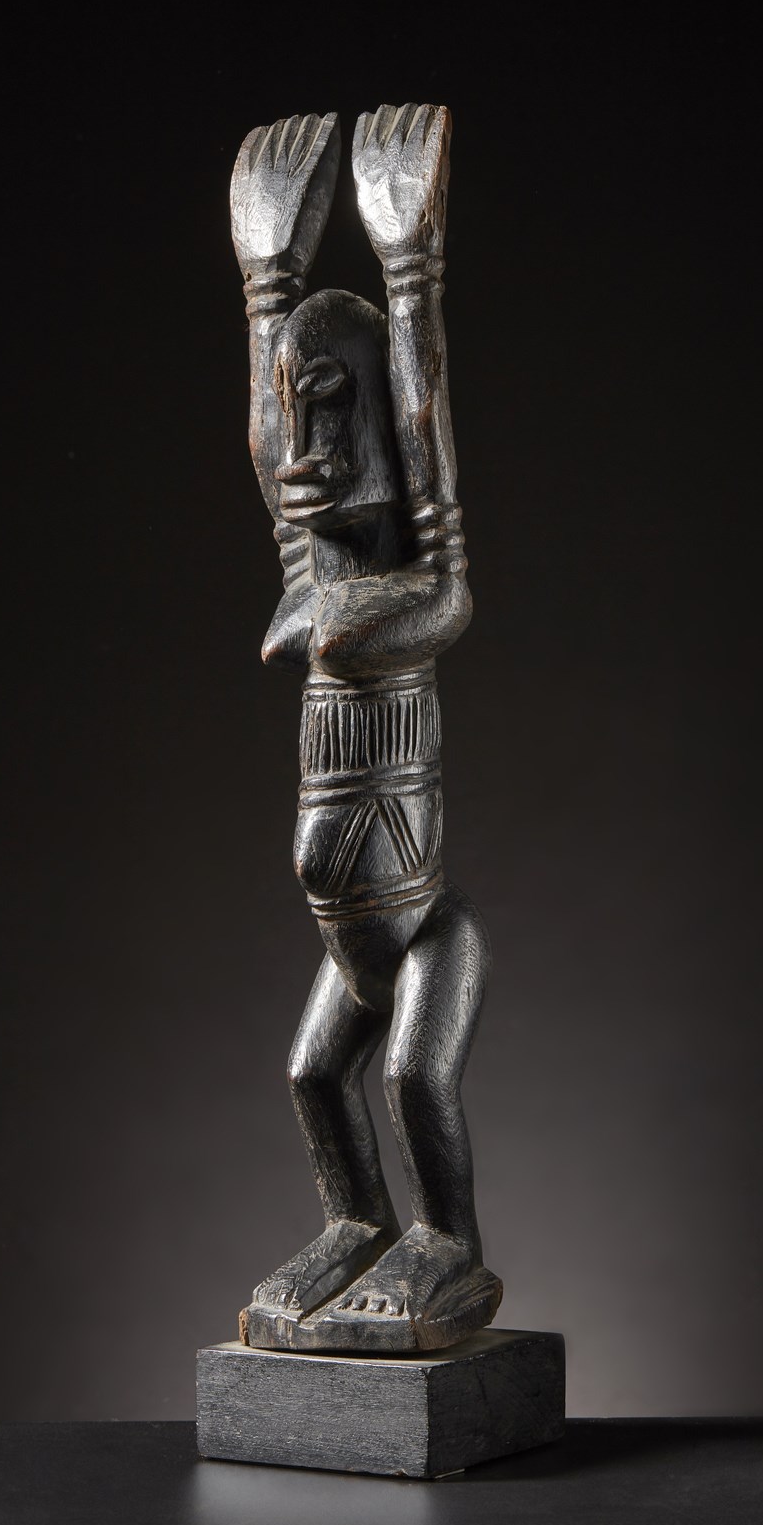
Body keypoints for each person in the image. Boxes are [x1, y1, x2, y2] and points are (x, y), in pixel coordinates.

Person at [229, 105, 499, 1351]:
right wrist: (265, 283)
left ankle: (446, 1246)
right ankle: (354, 1222)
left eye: (334, 408)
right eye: (298, 410)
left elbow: (429, 440)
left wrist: (407, 266)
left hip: (423, 927)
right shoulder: (315, 574)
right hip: (346, 938)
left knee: (409, 1074)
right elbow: (265, 450)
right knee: (308, 1075)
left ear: (382, 420)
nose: (305, 445)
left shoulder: (420, 588)